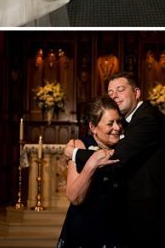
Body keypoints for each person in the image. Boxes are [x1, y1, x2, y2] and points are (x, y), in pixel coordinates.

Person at [73, 72, 165, 248]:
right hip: (141, 217)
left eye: (120, 89)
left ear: (137, 92)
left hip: (155, 218)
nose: (114, 96)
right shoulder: (129, 122)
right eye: (110, 93)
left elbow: (116, 160)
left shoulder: (147, 118)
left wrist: (74, 153)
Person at [58, 97, 125, 248]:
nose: (117, 128)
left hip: (117, 227)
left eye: (119, 121)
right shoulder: (79, 146)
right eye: (110, 123)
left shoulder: (126, 145)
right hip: (86, 225)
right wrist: (92, 164)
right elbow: (75, 197)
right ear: (93, 127)